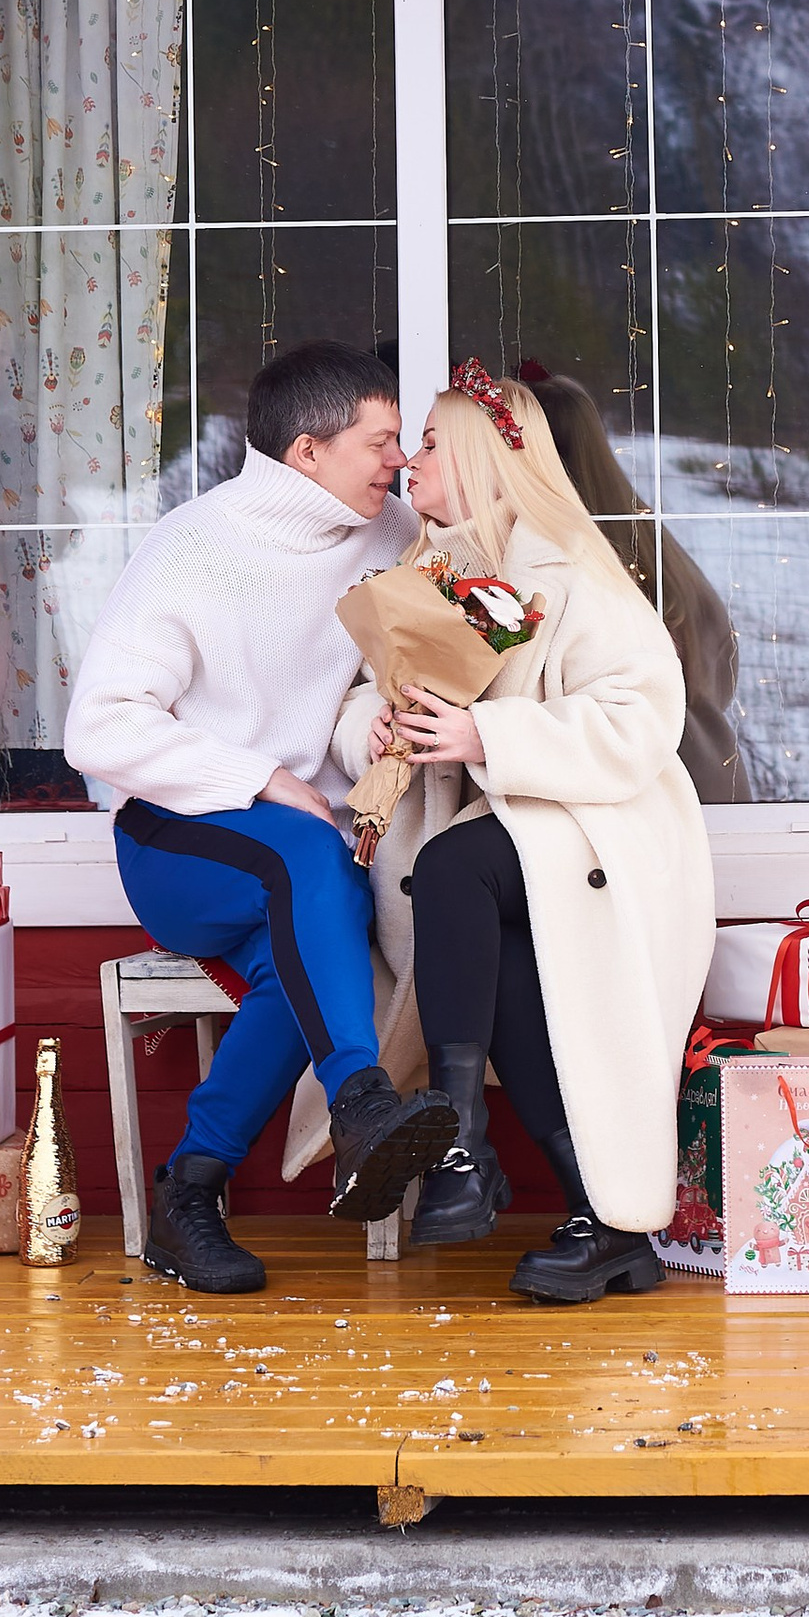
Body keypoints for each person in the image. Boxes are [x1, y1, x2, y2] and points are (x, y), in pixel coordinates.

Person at [63, 339, 457, 1295]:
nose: (398, 460)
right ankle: (362, 1098)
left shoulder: (388, 532)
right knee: (307, 859)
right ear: (308, 452)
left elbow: (376, 676)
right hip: (179, 835)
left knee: (304, 962)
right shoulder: (192, 546)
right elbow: (99, 729)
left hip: (307, 848)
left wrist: (378, 728)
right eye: (380, 440)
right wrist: (257, 776)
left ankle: (187, 1189)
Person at [334, 360, 716, 1301]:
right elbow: (356, 702)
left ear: (475, 457)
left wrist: (484, 733)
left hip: (604, 834)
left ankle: (464, 1148)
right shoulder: (439, 573)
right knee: (490, 958)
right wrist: (373, 729)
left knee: (455, 867)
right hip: (524, 833)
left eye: (429, 441)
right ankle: (603, 1221)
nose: (412, 460)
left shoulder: (565, 565)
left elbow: (642, 713)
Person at [515, 365, 752, 804]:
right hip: (709, 772)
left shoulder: (566, 555)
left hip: (657, 790)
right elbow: (724, 664)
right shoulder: (648, 538)